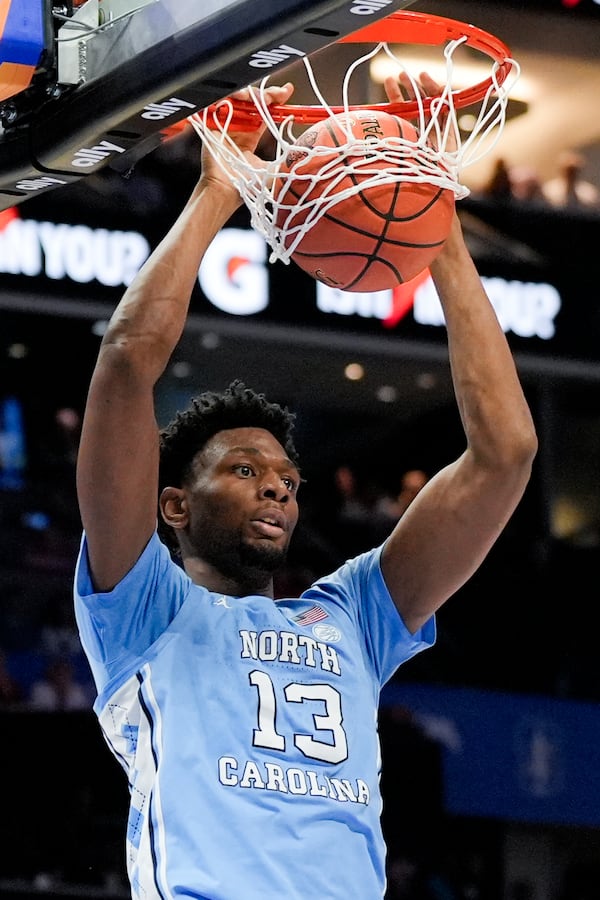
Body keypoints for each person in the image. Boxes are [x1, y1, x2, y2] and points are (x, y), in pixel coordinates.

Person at [73, 72, 537, 900]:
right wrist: (220, 186)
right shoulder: (143, 609)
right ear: (174, 505)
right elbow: (125, 364)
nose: (280, 490)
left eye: (287, 477)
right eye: (246, 471)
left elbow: (505, 453)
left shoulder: (352, 614)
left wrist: (441, 231)